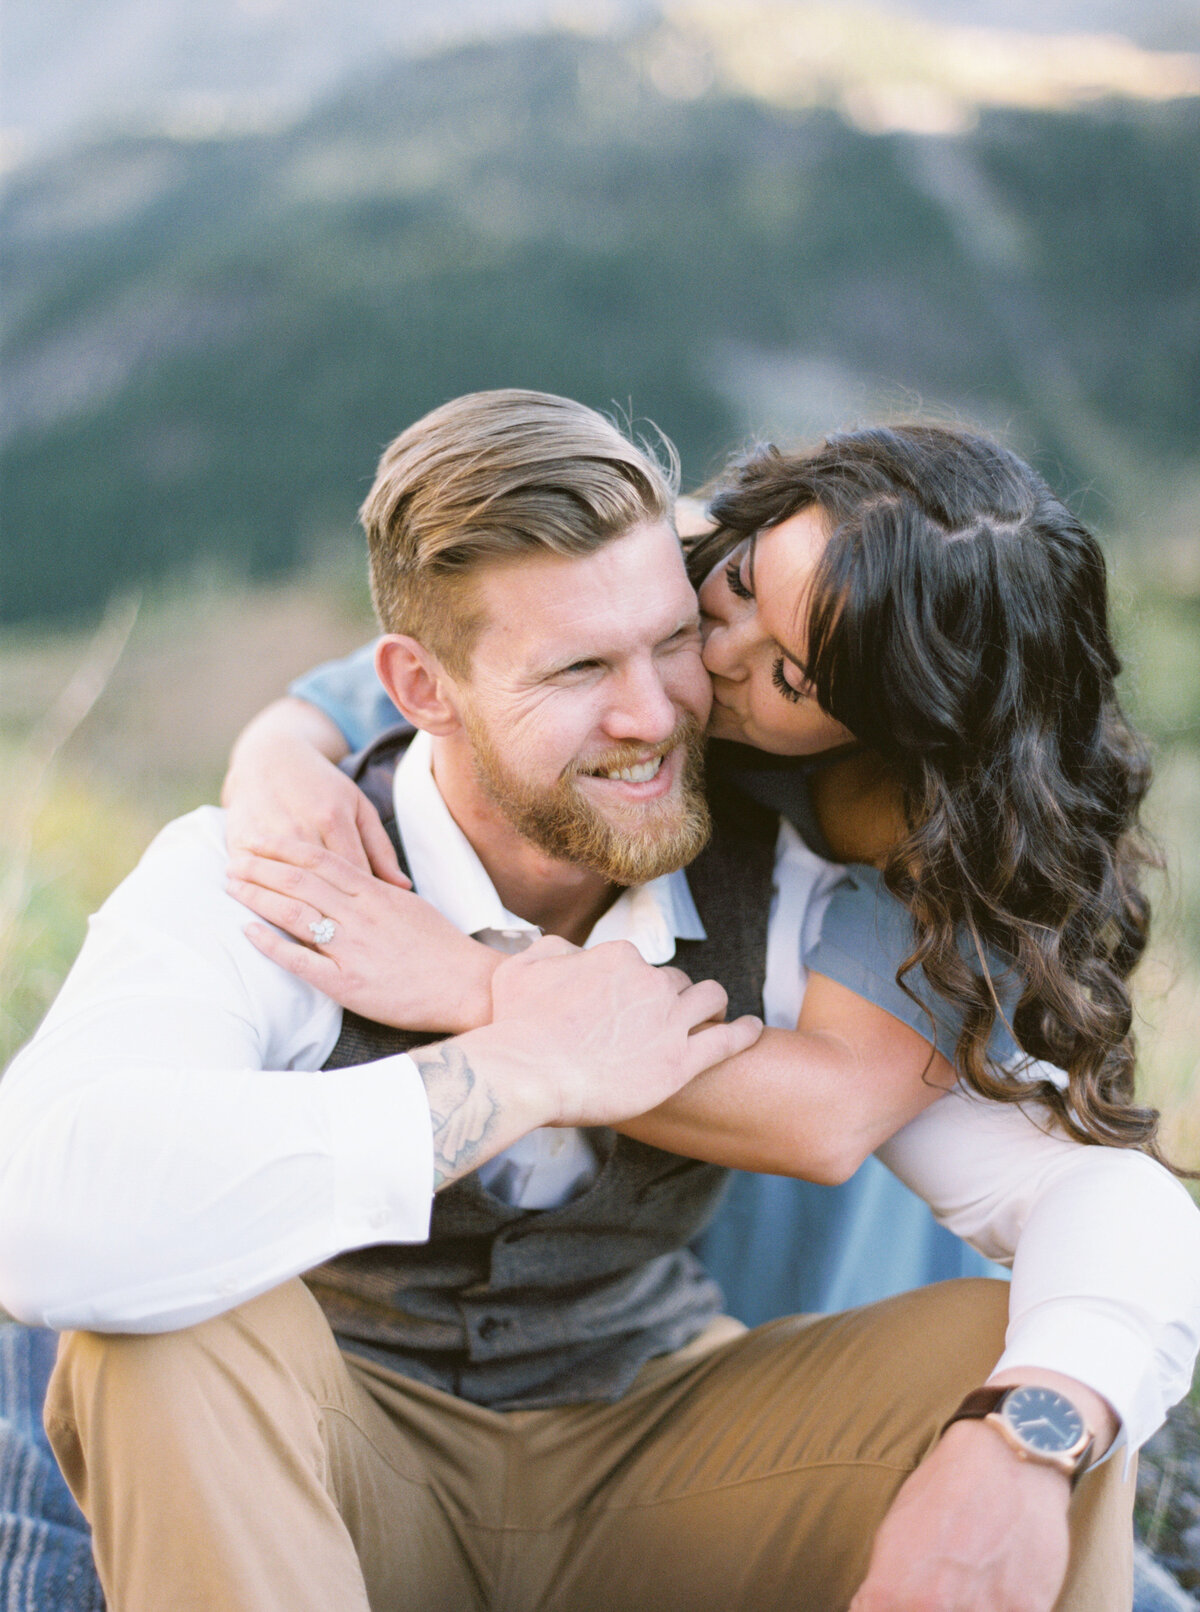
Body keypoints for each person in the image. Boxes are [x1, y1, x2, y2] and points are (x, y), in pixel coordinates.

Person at [0, 392, 1196, 1612]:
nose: (665, 707)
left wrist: (1028, 1438)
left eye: (682, 646)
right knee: (156, 1324)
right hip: (337, 1463)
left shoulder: (829, 883)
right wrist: (520, 1065)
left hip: (657, 1450)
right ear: (419, 684)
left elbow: (1090, 1190)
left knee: (1027, 1371)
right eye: (582, 666)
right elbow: (32, 1211)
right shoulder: (280, 865)